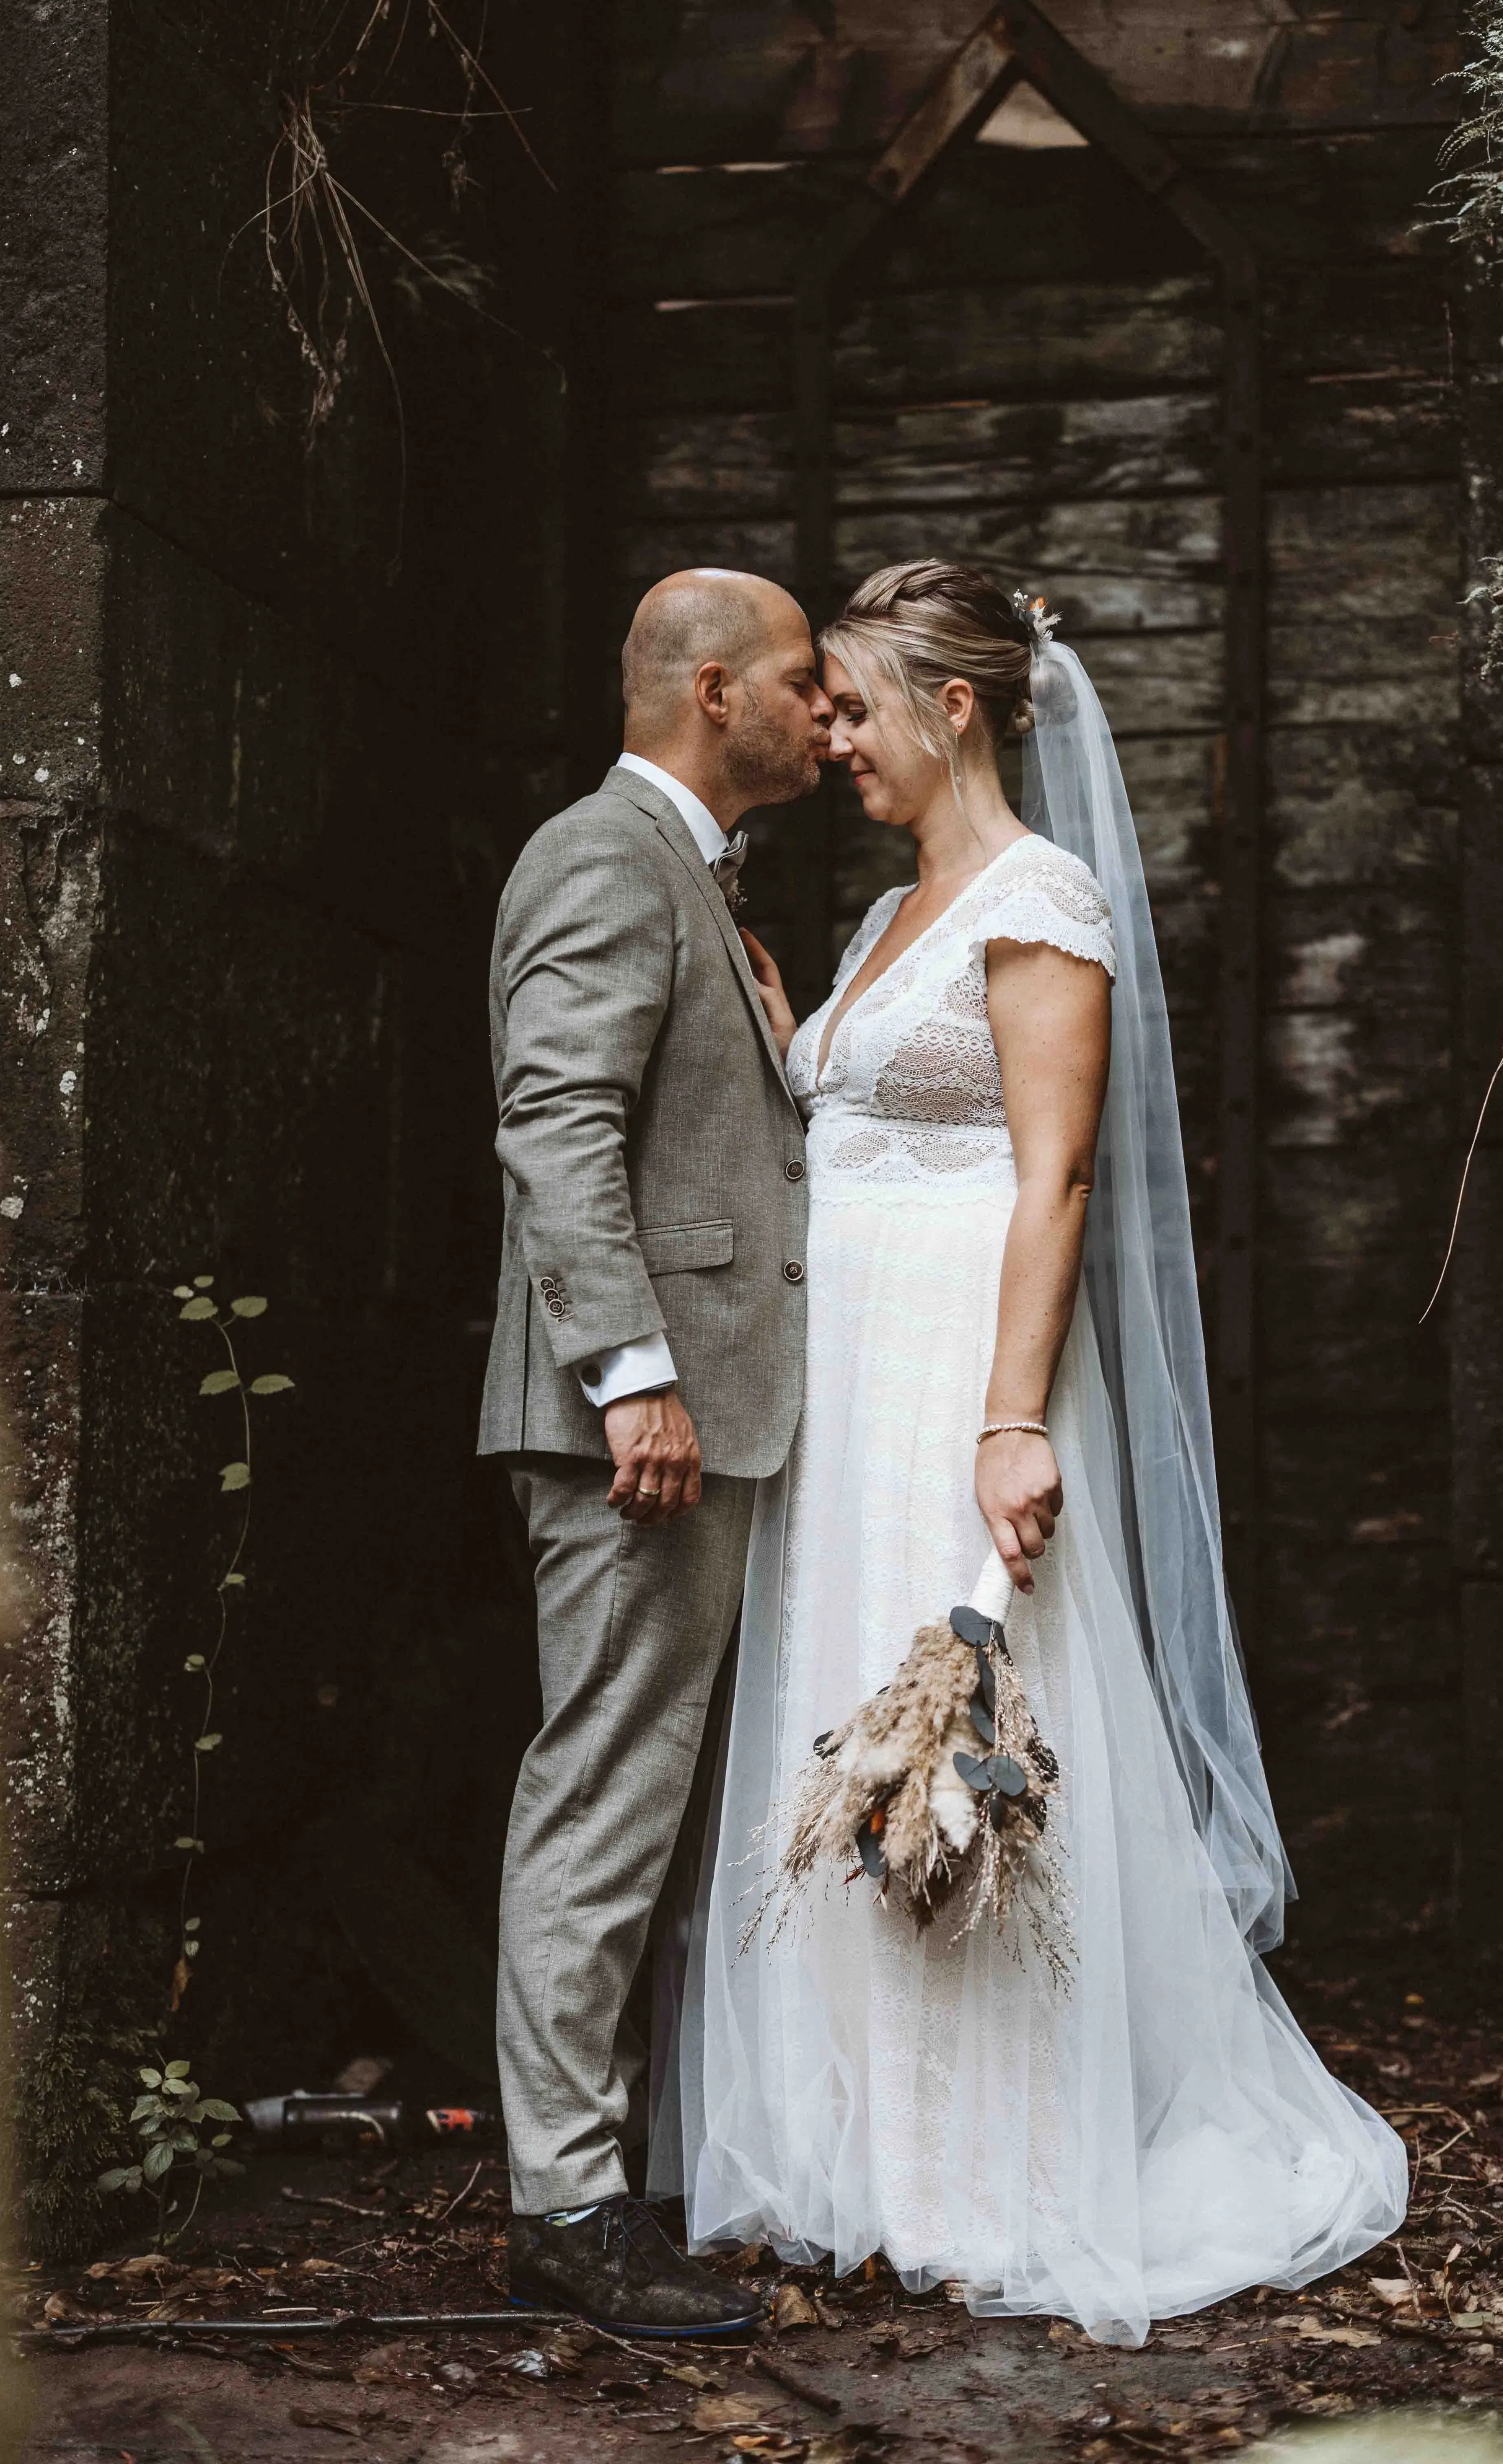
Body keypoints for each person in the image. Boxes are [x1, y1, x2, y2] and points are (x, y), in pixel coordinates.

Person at [668, 560, 1408, 2344]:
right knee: (847, 1718)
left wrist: (1010, 1421)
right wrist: (794, 1038)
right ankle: (853, 2151)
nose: (828, 738)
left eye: (852, 706)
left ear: (960, 708)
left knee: (965, 1728)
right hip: (841, 1388)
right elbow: (852, 1132)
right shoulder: (879, 923)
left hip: (951, 1377)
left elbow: (1052, 1177)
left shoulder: (1038, 898)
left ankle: (984, 2162)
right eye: (824, 708)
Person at [478, 567, 833, 2335]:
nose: (823, 712)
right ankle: (565, 2203)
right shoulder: (603, 857)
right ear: (712, 690)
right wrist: (632, 1375)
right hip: (639, 1432)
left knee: (646, 1796)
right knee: (603, 1794)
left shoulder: (692, 874)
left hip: (699, 1420)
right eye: (797, 684)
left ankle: (618, 2166)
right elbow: (555, 1120)